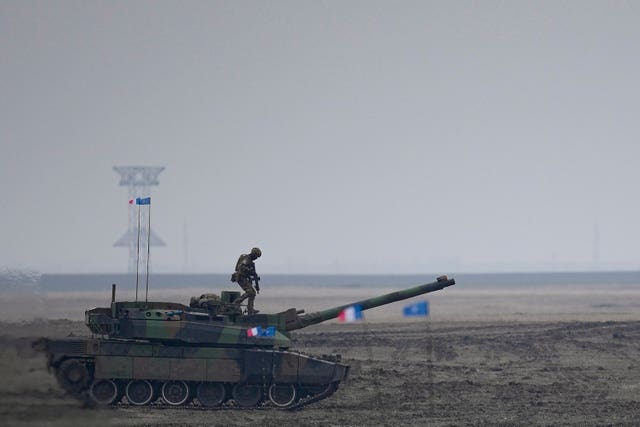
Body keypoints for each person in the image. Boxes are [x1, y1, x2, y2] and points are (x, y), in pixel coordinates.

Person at [231, 247, 262, 314]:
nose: (256, 258)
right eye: (256, 256)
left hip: (245, 278)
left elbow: (254, 274)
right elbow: (242, 267)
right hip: (241, 277)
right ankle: (236, 302)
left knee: (253, 293)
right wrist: (249, 270)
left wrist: (257, 286)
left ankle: (250, 309)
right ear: (253, 254)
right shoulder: (246, 259)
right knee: (250, 291)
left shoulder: (251, 263)